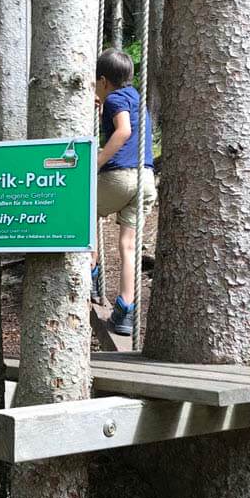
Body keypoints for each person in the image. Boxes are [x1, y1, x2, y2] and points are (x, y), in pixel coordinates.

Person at [91, 48, 157, 336]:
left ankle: (90, 273)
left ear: (103, 80)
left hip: (120, 177)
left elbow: (124, 131)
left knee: (83, 212)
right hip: (146, 180)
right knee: (128, 246)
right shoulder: (136, 99)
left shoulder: (115, 98)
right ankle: (125, 311)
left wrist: (99, 160)